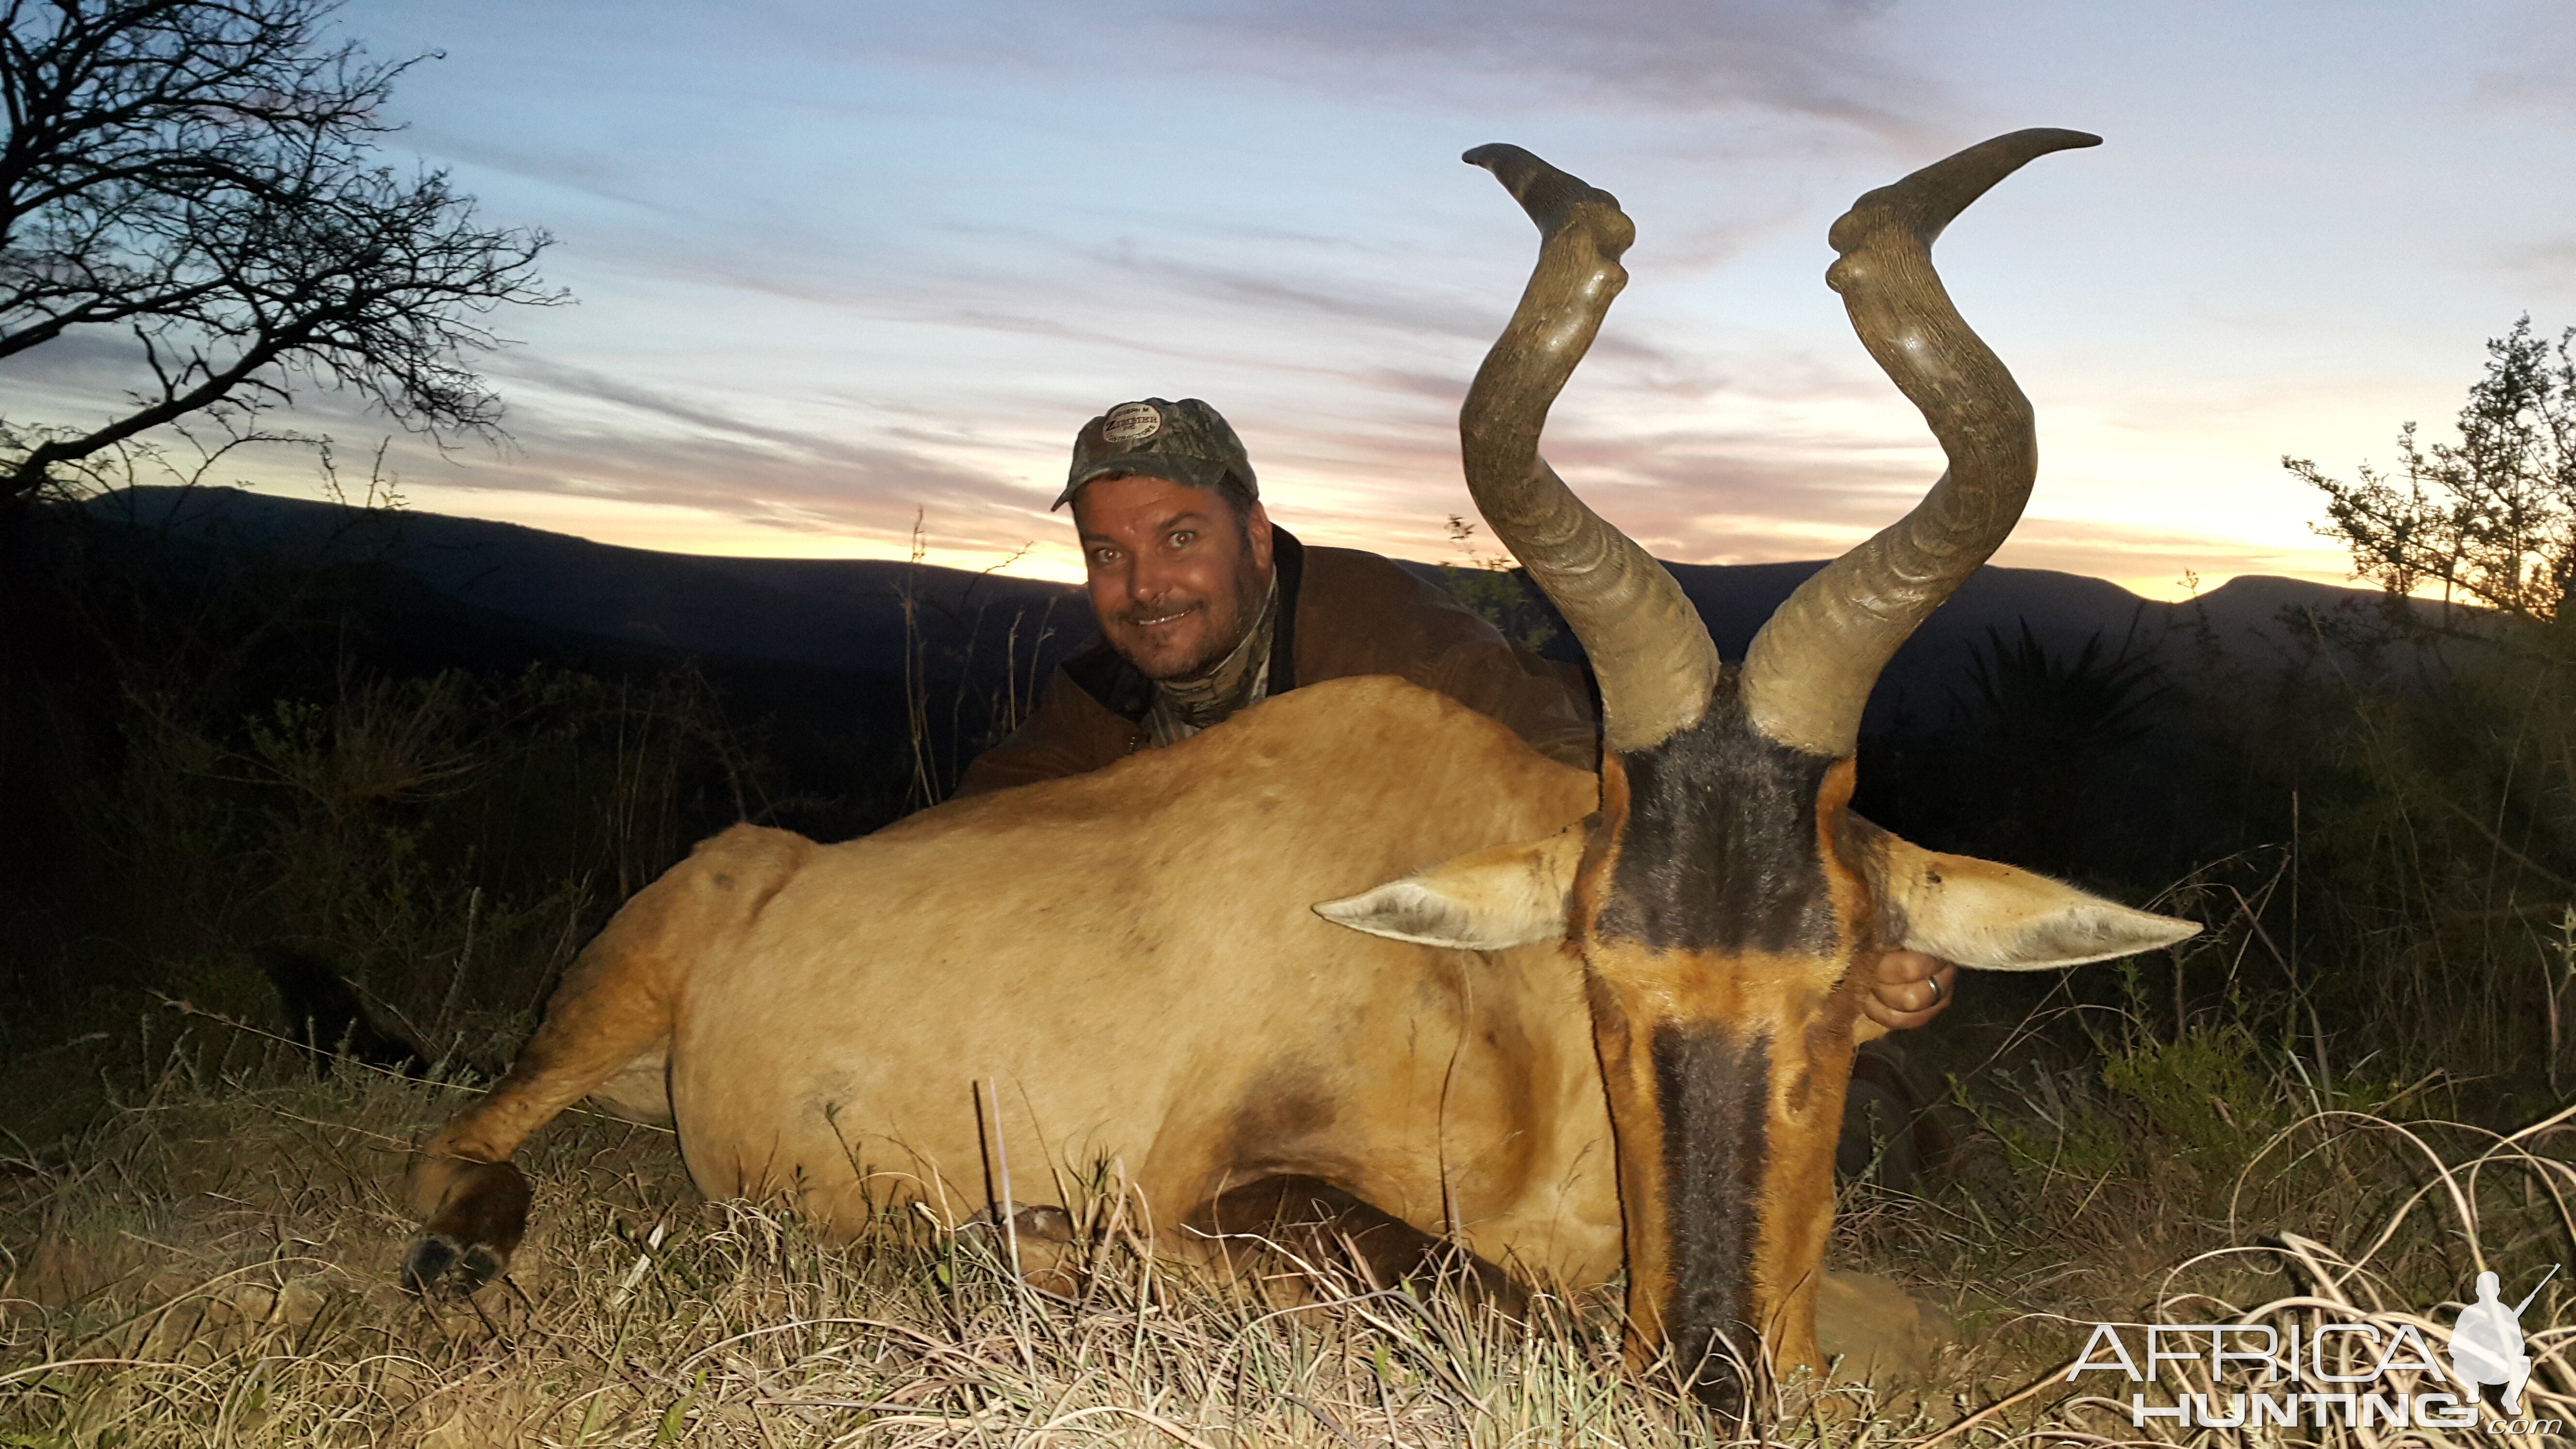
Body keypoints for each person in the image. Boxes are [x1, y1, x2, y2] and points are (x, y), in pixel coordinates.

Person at [956, 397, 1958, 1034]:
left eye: (1179, 538)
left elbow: (1555, 754)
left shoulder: (1375, 628)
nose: (1144, 586)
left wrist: (1828, 925)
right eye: (1107, 554)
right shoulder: (1103, 690)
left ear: (1255, 538)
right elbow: (981, 827)